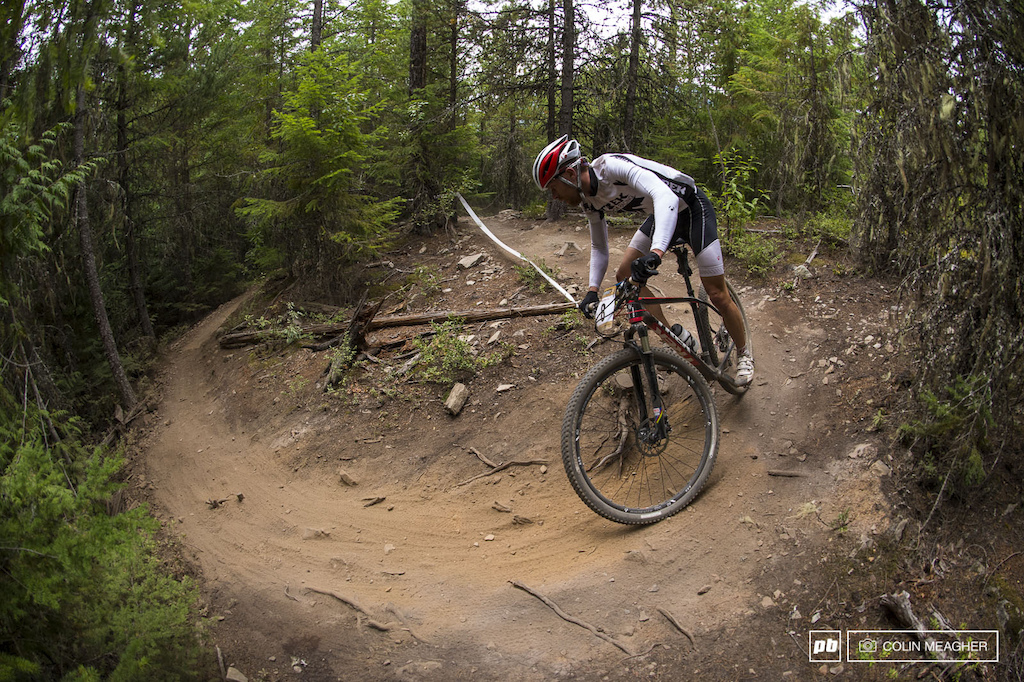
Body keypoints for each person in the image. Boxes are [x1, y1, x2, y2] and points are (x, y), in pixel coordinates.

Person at [532, 135, 754, 385]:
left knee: (717, 294)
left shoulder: (610, 167)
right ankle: (675, 340)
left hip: (691, 208)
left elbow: (666, 196)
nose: (554, 196)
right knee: (624, 275)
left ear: (570, 174)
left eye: (553, 188)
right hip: (661, 216)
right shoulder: (589, 201)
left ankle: (744, 352)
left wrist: (655, 254)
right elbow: (599, 246)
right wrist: (592, 291)